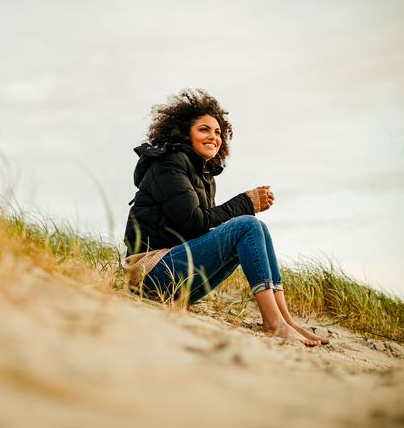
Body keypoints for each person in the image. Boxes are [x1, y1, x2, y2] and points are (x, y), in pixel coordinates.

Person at [123, 88, 329, 347]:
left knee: (257, 228)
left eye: (218, 132)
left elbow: (195, 231)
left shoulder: (202, 175)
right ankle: (273, 323)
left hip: (174, 276)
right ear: (185, 132)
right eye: (204, 130)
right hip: (149, 273)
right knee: (248, 225)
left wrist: (244, 208)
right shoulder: (169, 164)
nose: (214, 137)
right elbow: (195, 223)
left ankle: (285, 320)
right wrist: (245, 202)